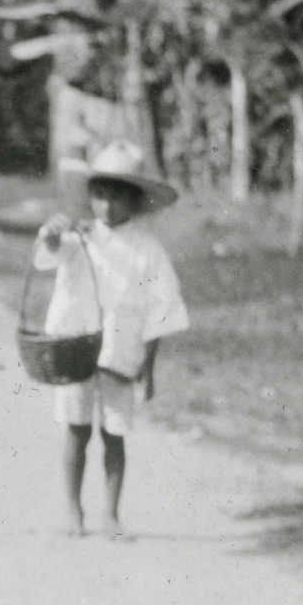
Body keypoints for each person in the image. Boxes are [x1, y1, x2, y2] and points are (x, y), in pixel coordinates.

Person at [32, 140, 188, 538]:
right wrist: (52, 233)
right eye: (99, 194)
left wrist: (148, 368)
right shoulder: (80, 236)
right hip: (76, 349)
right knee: (76, 429)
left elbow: (161, 312)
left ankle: (112, 514)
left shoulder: (148, 251)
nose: (107, 205)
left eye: (117, 196)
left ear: (134, 200)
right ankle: (73, 509)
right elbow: (48, 253)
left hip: (121, 354)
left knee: (114, 433)